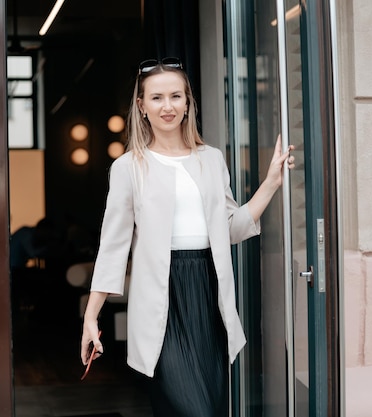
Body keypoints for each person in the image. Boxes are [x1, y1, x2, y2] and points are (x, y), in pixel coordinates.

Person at [80, 57, 295, 417]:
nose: (168, 106)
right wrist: (91, 316)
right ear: (142, 106)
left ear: (188, 102)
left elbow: (230, 229)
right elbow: (113, 247)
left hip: (208, 293)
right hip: (161, 298)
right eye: (157, 98)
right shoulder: (129, 167)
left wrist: (271, 183)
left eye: (176, 96)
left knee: (210, 406)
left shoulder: (210, 159)